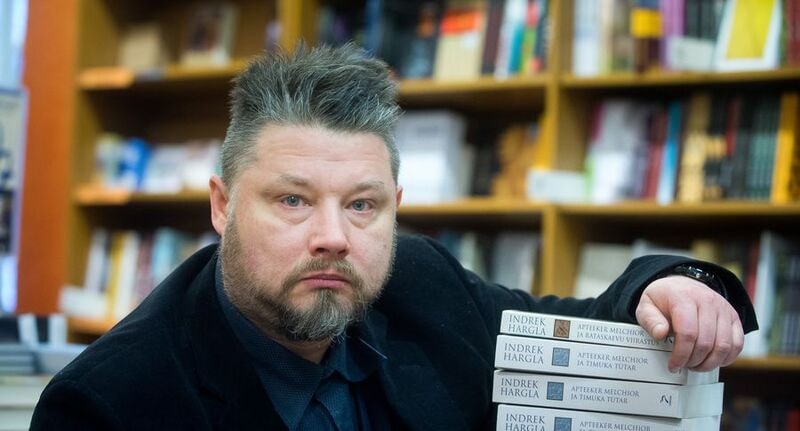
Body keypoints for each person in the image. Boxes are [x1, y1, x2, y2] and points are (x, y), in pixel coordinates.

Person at [32, 44, 756, 430]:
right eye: (292, 200)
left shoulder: (420, 282)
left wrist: (674, 286)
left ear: (396, 209)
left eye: (363, 205)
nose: (333, 237)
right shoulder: (109, 405)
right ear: (222, 206)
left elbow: (579, 325)